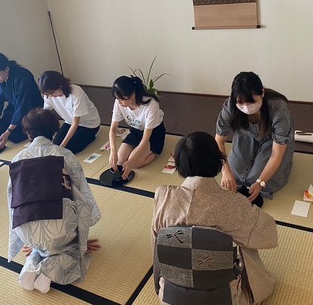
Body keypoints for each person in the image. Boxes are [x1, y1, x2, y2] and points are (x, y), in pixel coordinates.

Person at [153, 131, 278, 304]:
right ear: (218, 162)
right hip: (223, 299)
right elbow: (269, 235)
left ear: (179, 165)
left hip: (171, 297)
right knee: (245, 243)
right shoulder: (233, 203)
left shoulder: (163, 195)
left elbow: (156, 243)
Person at [7, 108, 101, 293]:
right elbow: (82, 196)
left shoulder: (17, 159)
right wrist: (81, 240)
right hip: (59, 229)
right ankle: (48, 274)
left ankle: (31, 265)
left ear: (28, 133)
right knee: (72, 249)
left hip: (26, 228)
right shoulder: (65, 155)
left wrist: (27, 235)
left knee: (41, 247)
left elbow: (12, 200)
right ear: (54, 131)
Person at [215, 71, 294, 206]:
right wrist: (225, 171)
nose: (246, 107)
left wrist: (260, 183)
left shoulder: (278, 109)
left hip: (273, 142)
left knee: (257, 178)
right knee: (236, 174)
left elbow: (276, 155)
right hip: (246, 137)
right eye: (241, 103)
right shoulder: (230, 106)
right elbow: (219, 140)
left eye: (251, 102)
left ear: (262, 93)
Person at [109, 75, 166, 180]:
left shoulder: (151, 104)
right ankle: (138, 153)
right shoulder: (119, 102)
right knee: (120, 161)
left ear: (132, 95)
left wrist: (131, 160)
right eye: (117, 99)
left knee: (134, 163)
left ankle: (155, 151)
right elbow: (113, 129)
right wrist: (113, 151)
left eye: (122, 99)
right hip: (136, 130)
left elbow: (145, 138)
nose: (119, 102)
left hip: (153, 133)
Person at [0, 52, 43, 148]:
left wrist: (9, 131)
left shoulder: (22, 76)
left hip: (31, 109)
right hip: (14, 108)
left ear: (6, 69)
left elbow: (23, 105)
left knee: (15, 137)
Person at [37, 70, 101, 154]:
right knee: (55, 144)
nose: (50, 96)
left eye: (52, 92)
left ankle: (93, 135)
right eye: (47, 93)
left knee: (69, 149)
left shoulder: (76, 93)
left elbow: (75, 123)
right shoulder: (48, 95)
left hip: (89, 124)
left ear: (60, 85)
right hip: (69, 122)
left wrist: (62, 147)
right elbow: (45, 112)